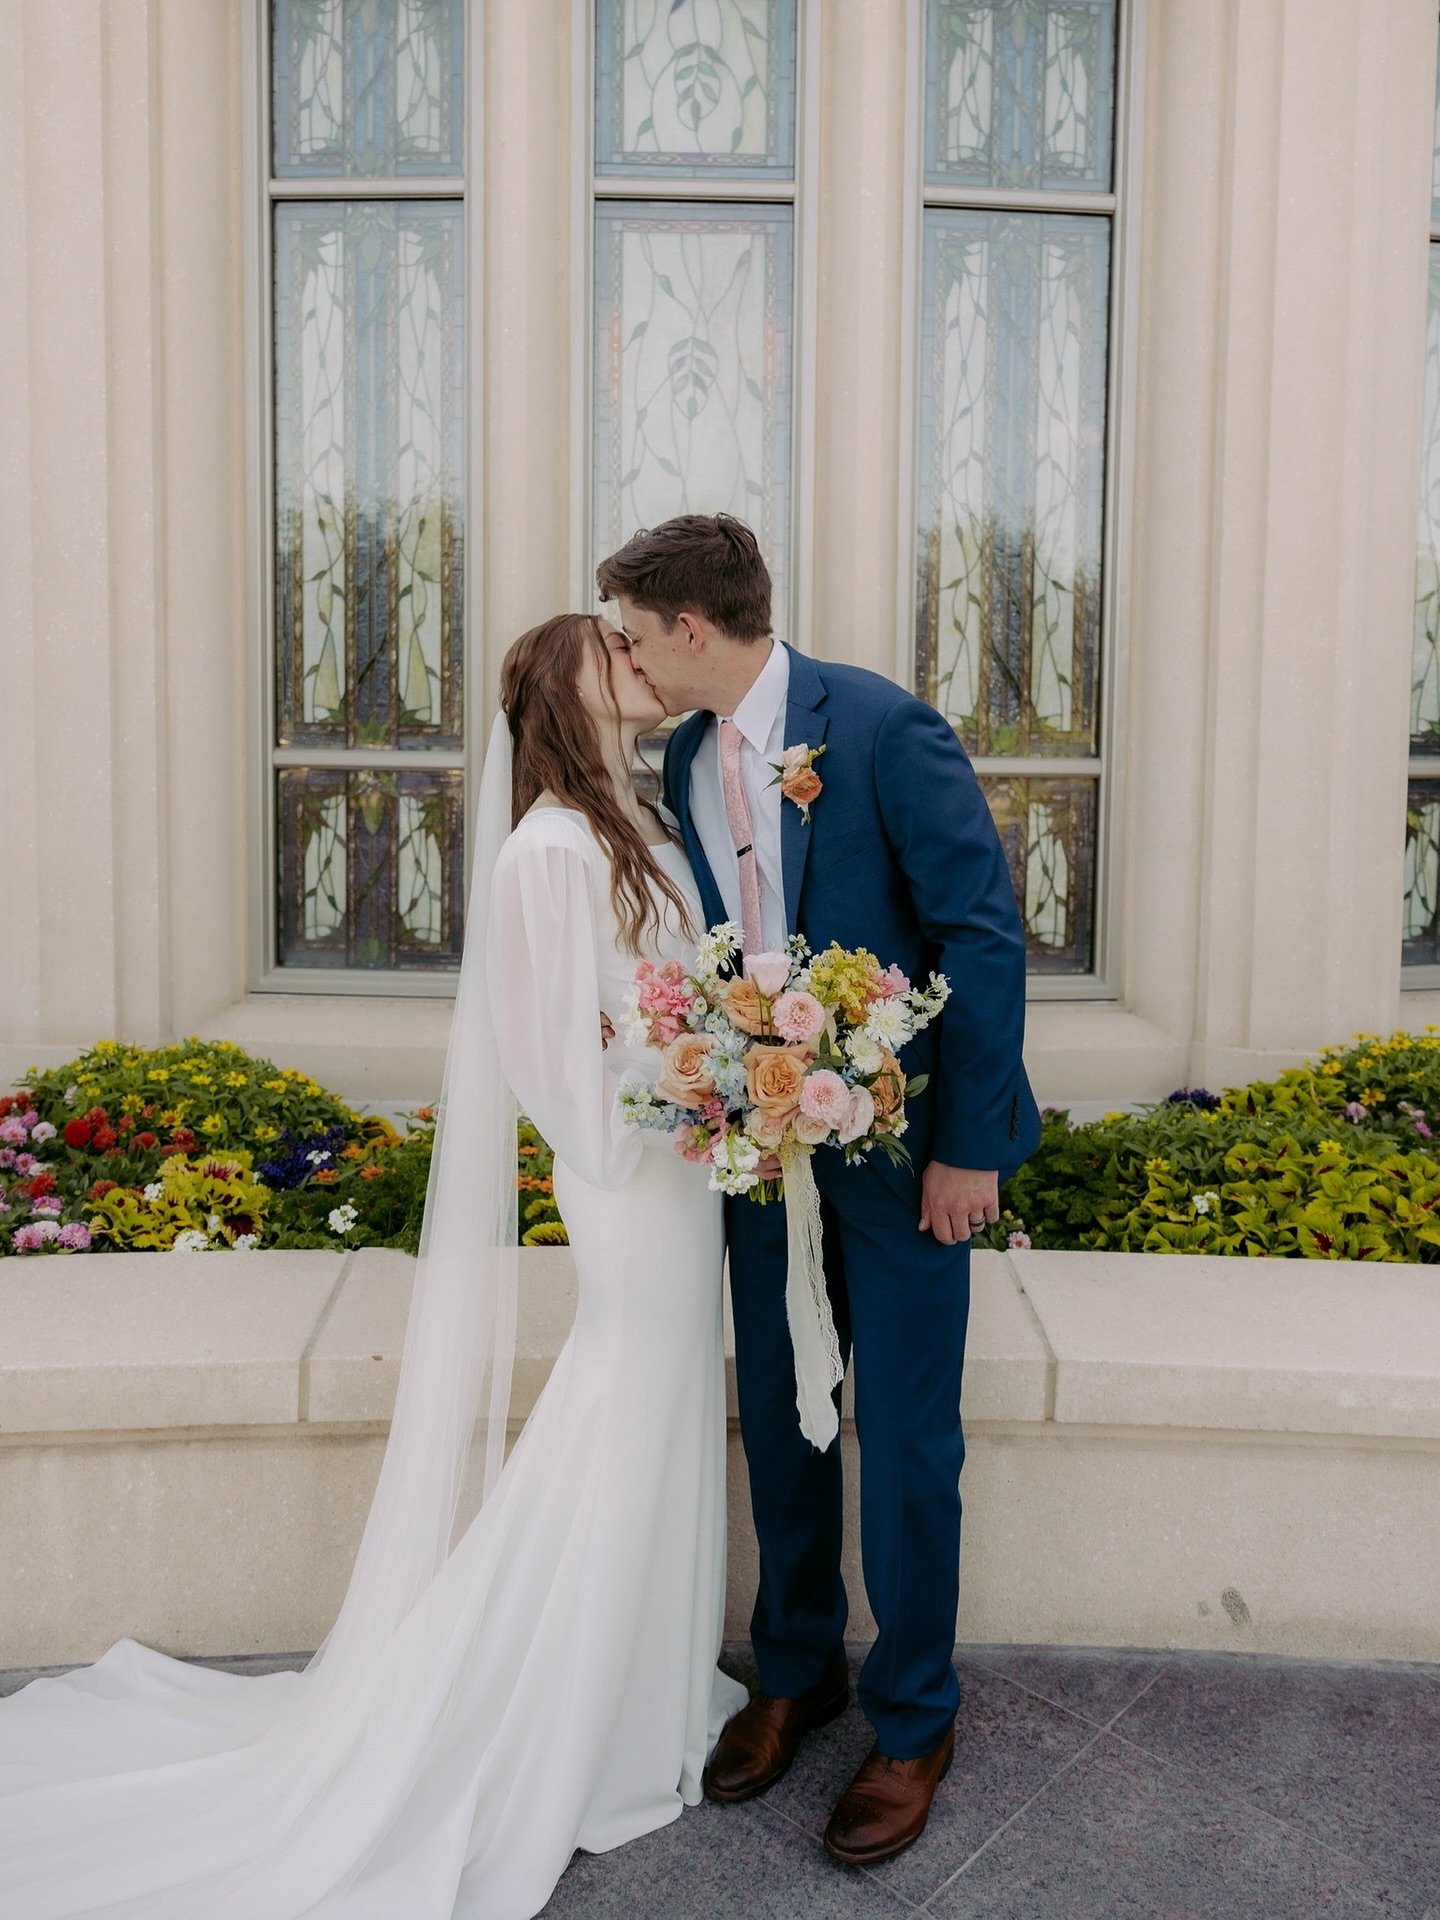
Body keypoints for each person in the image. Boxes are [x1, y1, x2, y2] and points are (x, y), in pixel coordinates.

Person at [0, 612, 747, 1920]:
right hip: (634, 1182)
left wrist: (732, 1072)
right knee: (621, 1416)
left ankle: (645, 1688)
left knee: (670, 1411)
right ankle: (569, 1716)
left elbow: (667, 996)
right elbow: (547, 1059)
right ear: (568, 695)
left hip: (685, 1176)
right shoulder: (548, 851)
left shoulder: (642, 825)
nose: (638, 664)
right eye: (611, 656)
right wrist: (670, 1101)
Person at [597, 513, 1043, 1867]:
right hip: (761, 1139)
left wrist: (973, 1148)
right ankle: (799, 1669)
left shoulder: (885, 728)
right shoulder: (681, 751)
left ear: (692, 628)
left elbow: (980, 935)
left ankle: (914, 1719)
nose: (626, 659)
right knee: (785, 1423)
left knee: (906, 1437)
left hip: (905, 1153)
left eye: (633, 633)